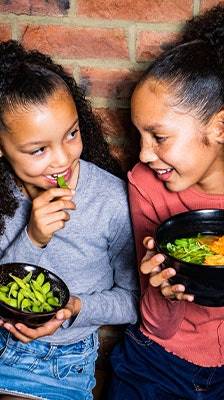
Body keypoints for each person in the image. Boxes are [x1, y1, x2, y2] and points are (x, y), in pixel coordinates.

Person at [0, 40, 138, 400]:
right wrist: (32, 238)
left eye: (71, 134)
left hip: (57, 362)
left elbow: (134, 301)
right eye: (39, 149)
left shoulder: (109, 199)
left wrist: (77, 308)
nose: (63, 160)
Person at [107, 4, 224, 400]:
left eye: (158, 137)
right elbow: (158, 327)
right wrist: (163, 292)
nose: (142, 154)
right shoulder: (147, 184)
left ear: (219, 127)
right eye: (138, 136)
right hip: (158, 362)